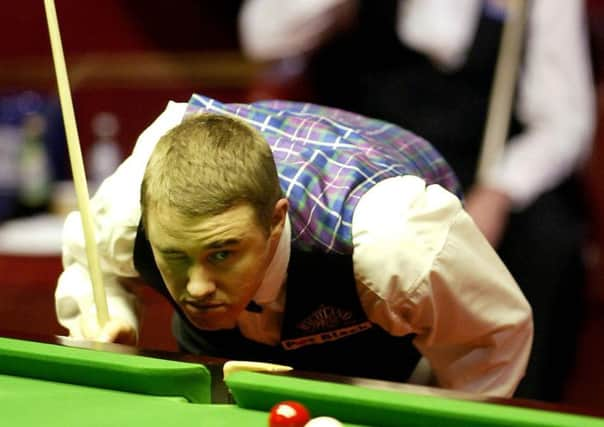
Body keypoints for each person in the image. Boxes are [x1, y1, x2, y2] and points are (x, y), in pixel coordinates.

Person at [56, 93, 532, 398]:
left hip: (378, 349)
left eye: (222, 253)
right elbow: (89, 266)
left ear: (276, 221)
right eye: (176, 256)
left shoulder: (398, 242)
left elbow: (489, 342)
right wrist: (110, 319)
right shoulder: (127, 209)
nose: (196, 288)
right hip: (224, 350)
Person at [238, 0, 596, 401]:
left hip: (486, 170)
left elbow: (565, 123)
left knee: (548, 240)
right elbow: (263, 37)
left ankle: (513, 406)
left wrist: (500, 190)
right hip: (363, 171)